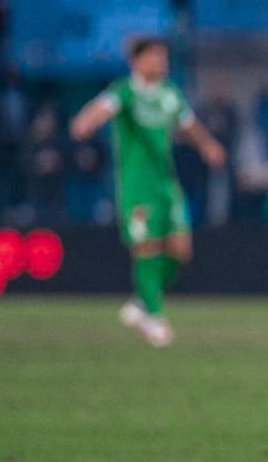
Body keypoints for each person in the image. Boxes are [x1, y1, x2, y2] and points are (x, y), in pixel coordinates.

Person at [69, 37, 226, 348]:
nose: (161, 63)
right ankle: (155, 316)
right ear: (137, 61)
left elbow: (188, 124)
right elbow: (101, 108)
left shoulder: (169, 93)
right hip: (135, 184)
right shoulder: (125, 90)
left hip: (165, 183)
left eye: (163, 57)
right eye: (155, 57)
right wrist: (85, 122)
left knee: (180, 250)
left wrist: (207, 144)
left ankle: (142, 301)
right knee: (146, 247)